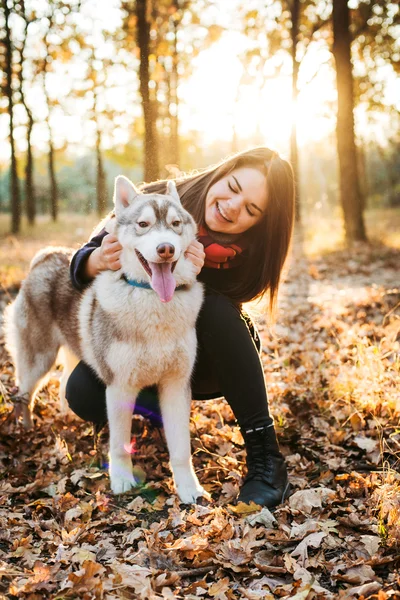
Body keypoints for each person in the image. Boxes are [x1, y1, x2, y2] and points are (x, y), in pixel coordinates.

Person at [66, 147, 295, 508]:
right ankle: (156, 417)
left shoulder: (249, 252)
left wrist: (191, 273)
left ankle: (266, 456)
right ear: (220, 172)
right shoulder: (157, 199)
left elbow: (220, 315)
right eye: (233, 187)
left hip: (209, 356)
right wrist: (96, 260)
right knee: (82, 390)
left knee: (209, 304)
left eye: (252, 210)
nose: (234, 207)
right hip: (135, 342)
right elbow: (79, 265)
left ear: (259, 223)